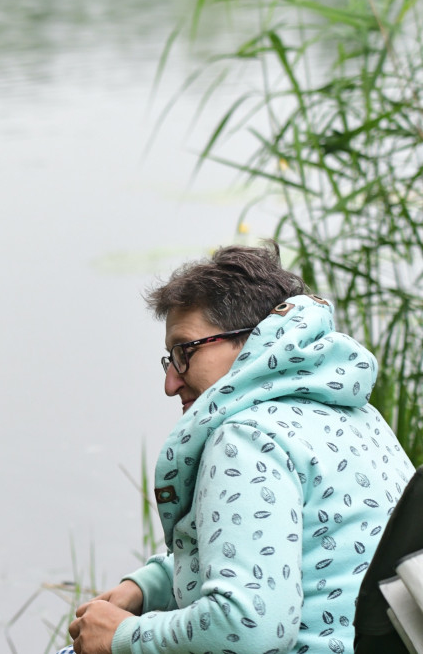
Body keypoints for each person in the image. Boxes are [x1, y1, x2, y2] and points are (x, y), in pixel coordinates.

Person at [62, 243, 415, 654]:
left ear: (253, 342)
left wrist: (123, 636)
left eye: (184, 352)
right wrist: (146, 586)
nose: (170, 383)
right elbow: (279, 549)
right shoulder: (354, 414)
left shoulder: (248, 438)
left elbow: (250, 631)